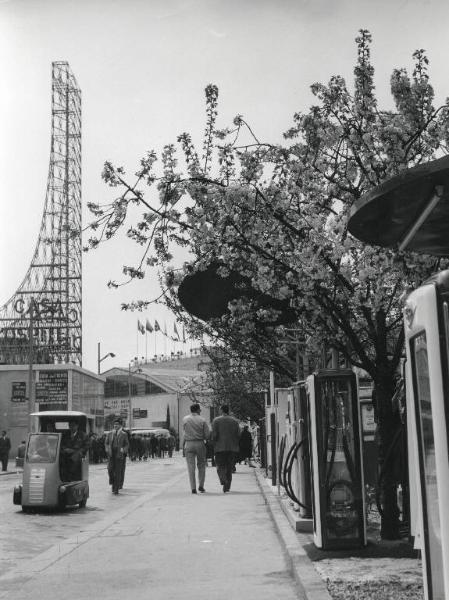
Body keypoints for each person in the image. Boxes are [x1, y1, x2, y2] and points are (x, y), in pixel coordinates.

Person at [182, 403, 210, 494]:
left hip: (188, 444)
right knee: (201, 465)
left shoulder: (185, 419)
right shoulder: (202, 420)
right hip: (199, 443)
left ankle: (193, 488)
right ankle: (201, 486)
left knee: (191, 467)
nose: (200, 411)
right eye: (200, 410)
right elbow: (207, 434)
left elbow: (184, 433)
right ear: (197, 410)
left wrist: (183, 446)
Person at [212, 405, 240, 493]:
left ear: (221, 410)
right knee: (229, 467)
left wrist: (213, 442)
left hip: (220, 447)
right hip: (232, 447)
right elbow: (238, 434)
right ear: (228, 410)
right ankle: (227, 487)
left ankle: (223, 479)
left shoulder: (216, 420)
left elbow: (215, 435)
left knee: (220, 465)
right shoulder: (235, 421)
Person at [105, 418, 129, 494]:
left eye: (117, 424)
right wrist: (107, 449)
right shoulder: (109, 433)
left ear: (120, 425)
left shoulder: (124, 434)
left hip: (119, 454)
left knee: (118, 472)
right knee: (110, 469)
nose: (115, 426)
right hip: (111, 454)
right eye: (114, 424)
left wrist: (123, 449)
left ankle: (115, 488)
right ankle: (112, 481)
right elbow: (106, 443)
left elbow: (127, 444)